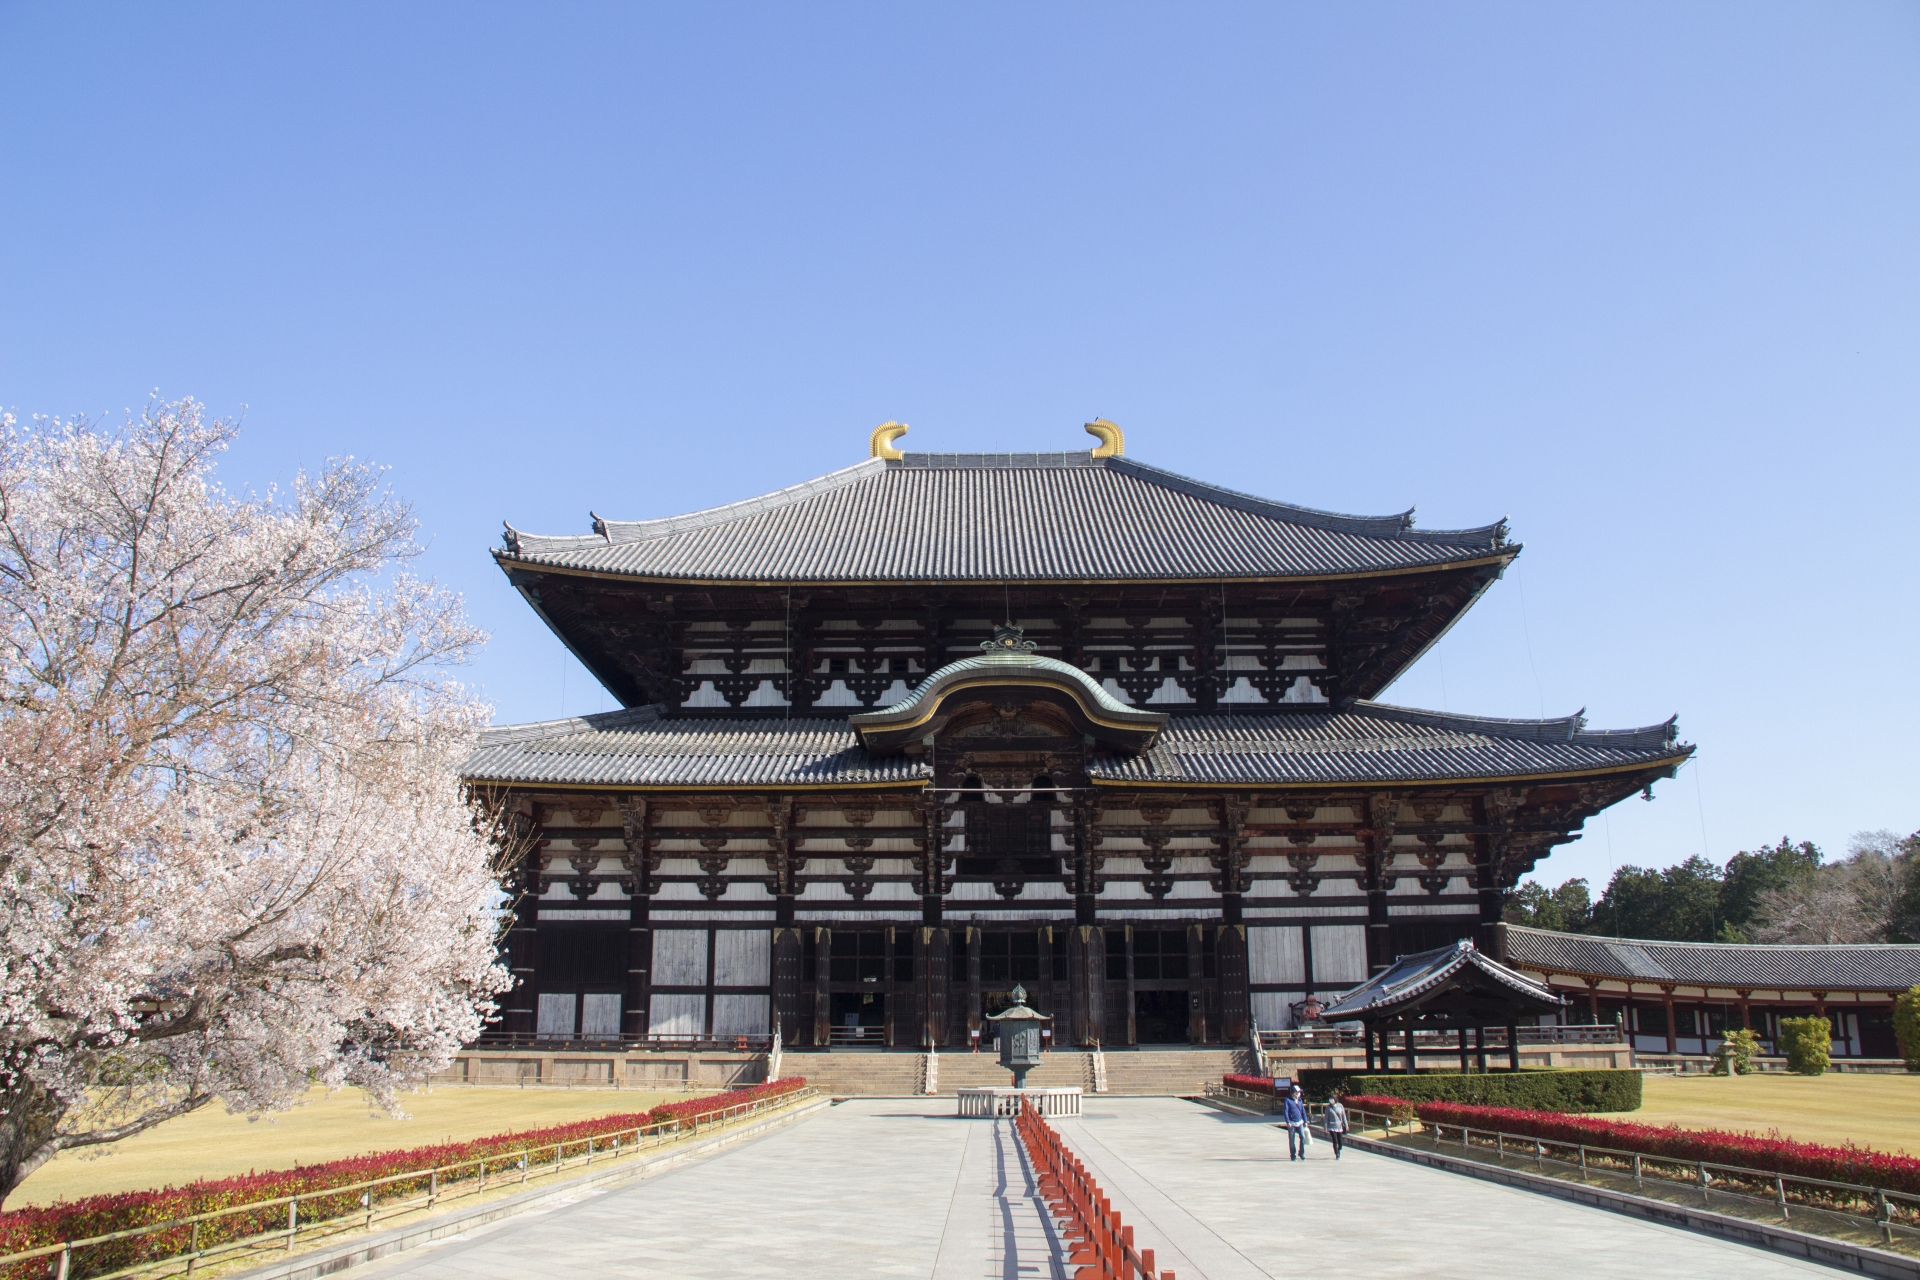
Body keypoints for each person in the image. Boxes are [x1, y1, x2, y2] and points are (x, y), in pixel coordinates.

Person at [1280, 1085, 1309, 1161]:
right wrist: (1288, 1121)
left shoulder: (1299, 1100)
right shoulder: (1288, 1100)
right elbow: (1285, 1111)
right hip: (1292, 1123)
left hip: (1300, 1122)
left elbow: (1303, 1111)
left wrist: (1305, 1121)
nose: (1299, 1094)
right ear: (1294, 1093)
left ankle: (1301, 1153)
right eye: (1298, 1092)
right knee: (1292, 1139)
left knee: (1302, 1137)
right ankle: (1293, 1155)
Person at [1322, 1095, 1349, 1160]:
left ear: (1335, 1099)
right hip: (1331, 1126)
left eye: (1332, 1099)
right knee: (1335, 1140)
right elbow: (1326, 1118)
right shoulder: (1328, 1108)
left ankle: (1339, 1149)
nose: (1331, 1100)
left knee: (1340, 1142)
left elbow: (1343, 1116)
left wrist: (1346, 1125)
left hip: (1339, 1126)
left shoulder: (1340, 1106)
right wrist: (1325, 1127)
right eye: (1330, 1099)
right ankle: (1337, 1154)